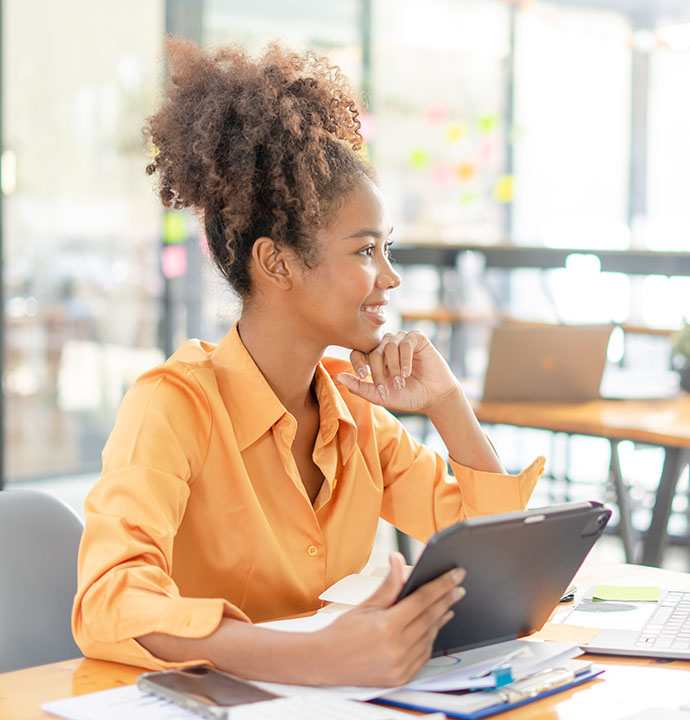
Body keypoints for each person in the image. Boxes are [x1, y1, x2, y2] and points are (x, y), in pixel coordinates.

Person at [71, 39, 544, 688]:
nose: (389, 278)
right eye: (364, 252)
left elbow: (499, 563)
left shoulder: (353, 409)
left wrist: (448, 405)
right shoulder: (173, 406)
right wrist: (317, 657)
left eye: (388, 250)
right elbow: (111, 602)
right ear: (276, 263)